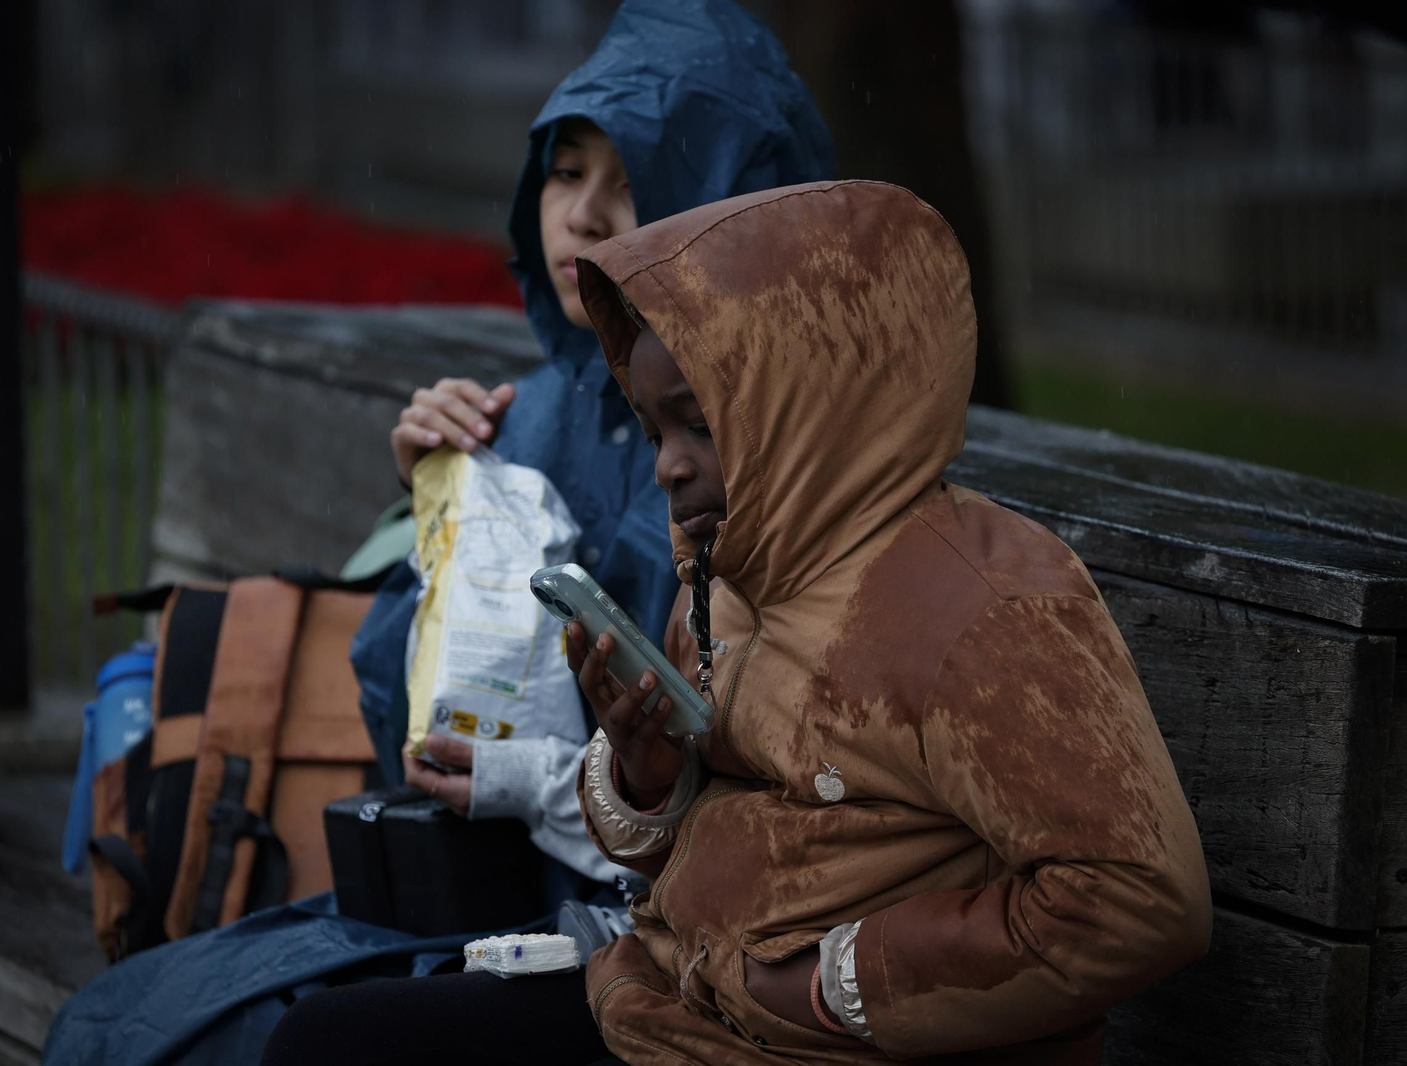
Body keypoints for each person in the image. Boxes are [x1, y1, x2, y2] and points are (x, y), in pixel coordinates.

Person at [263, 180, 1211, 1065]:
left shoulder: (988, 609)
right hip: (665, 1005)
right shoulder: (732, 568)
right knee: (323, 1039)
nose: (668, 465)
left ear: (813, 405)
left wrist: (835, 984)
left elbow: (1137, 900)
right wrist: (646, 772)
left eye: (701, 424)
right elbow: (676, 843)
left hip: (812, 1045)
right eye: (654, 429)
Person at [343, 0, 833, 899]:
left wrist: (538, 788)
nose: (582, 215)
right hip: (464, 894)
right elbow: (404, 718)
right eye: (564, 171)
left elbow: (759, 808)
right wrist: (444, 512)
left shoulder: (779, 459)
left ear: (722, 213)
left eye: (635, 181)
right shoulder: (521, 417)